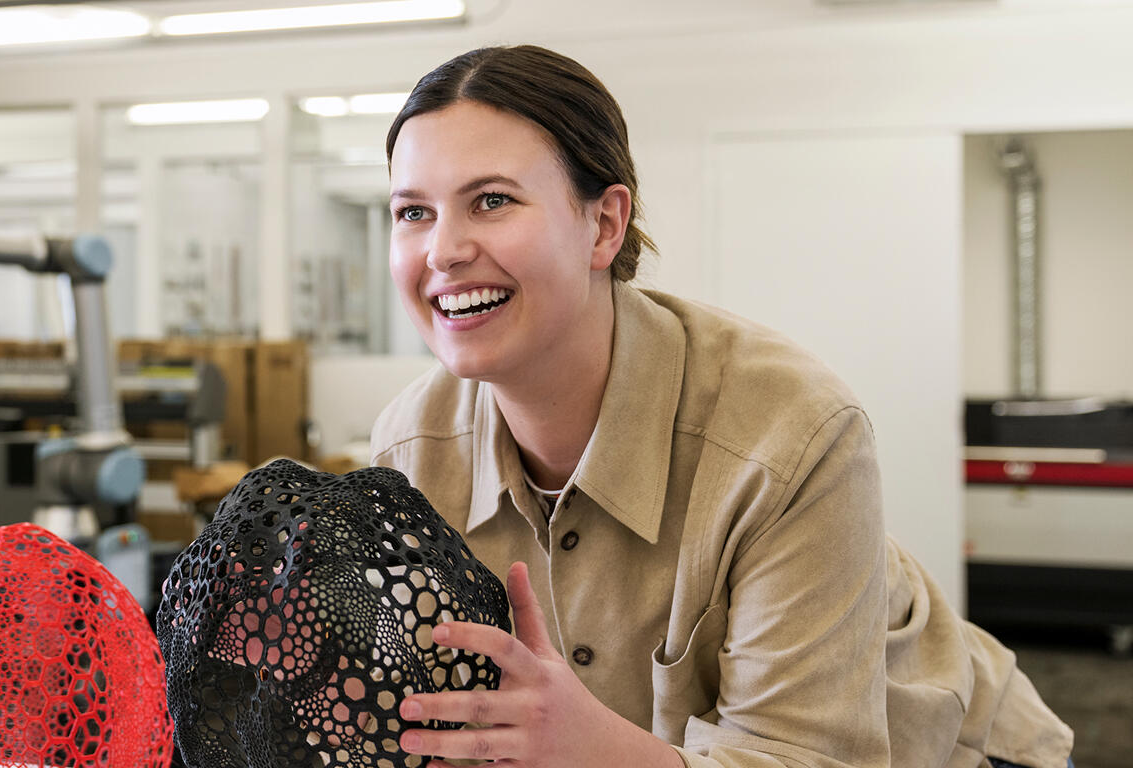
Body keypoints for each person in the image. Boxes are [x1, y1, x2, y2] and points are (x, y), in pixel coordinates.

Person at [369, 45, 1072, 768]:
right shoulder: (407, 452)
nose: (443, 251)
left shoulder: (791, 431)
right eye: (413, 212)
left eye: (492, 200)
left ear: (605, 226)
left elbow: (806, 756)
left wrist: (589, 746)